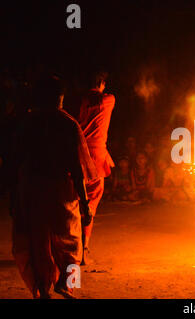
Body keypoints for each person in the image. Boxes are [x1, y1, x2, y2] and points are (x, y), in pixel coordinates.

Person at [10, 75, 97, 298]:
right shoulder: (67, 124)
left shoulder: (27, 123)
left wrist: (14, 196)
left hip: (32, 190)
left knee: (38, 243)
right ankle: (66, 284)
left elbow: (14, 162)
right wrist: (85, 203)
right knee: (73, 241)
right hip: (60, 191)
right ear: (59, 97)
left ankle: (42, 288)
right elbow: (77, 167)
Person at [78, 71, 115, 265]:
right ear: (101, 83)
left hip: (76, 156)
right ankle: (83, 250)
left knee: (74, 203)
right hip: (95, 157)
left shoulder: (79, 101)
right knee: (89, 204)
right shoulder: (108, 100)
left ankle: (73, 248)